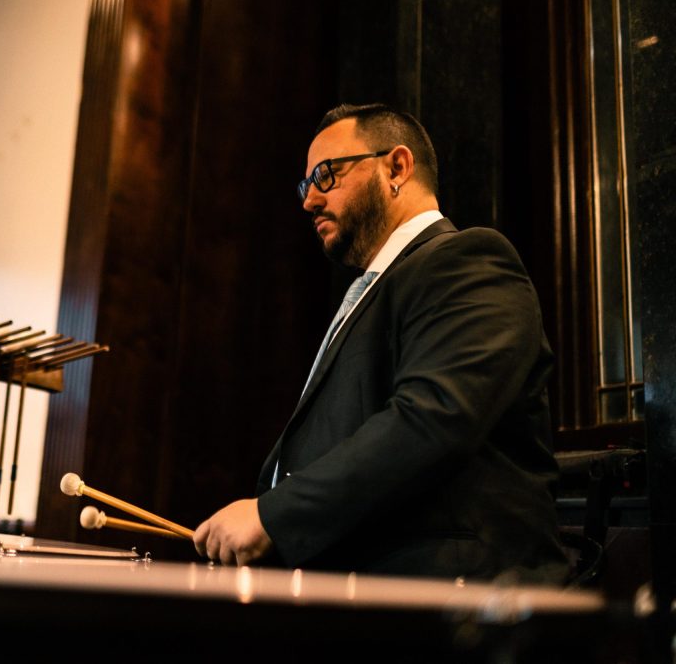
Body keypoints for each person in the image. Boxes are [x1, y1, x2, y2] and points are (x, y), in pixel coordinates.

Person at [193, 103, 569, 583]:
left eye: (326, 175)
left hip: (455, 599)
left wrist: (273, 516)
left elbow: (431, 419)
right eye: (306, 185)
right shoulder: (376, 288)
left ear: (396, 167)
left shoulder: (467, 260)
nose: (310, 201)